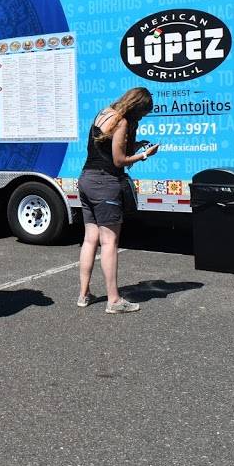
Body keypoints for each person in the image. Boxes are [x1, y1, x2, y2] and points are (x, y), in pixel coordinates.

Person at [76, 87, 159, 314]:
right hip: (105, 183)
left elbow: (104, 148)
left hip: (86, 179)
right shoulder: (121, 122)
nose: (142, 118)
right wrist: (144, 154)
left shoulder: (104, 113)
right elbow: (119, 160)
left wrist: (135, 144)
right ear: (136, 108)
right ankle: (113, 300)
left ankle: (84, 294)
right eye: (142, 114)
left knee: (90, 239)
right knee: (109, 242)